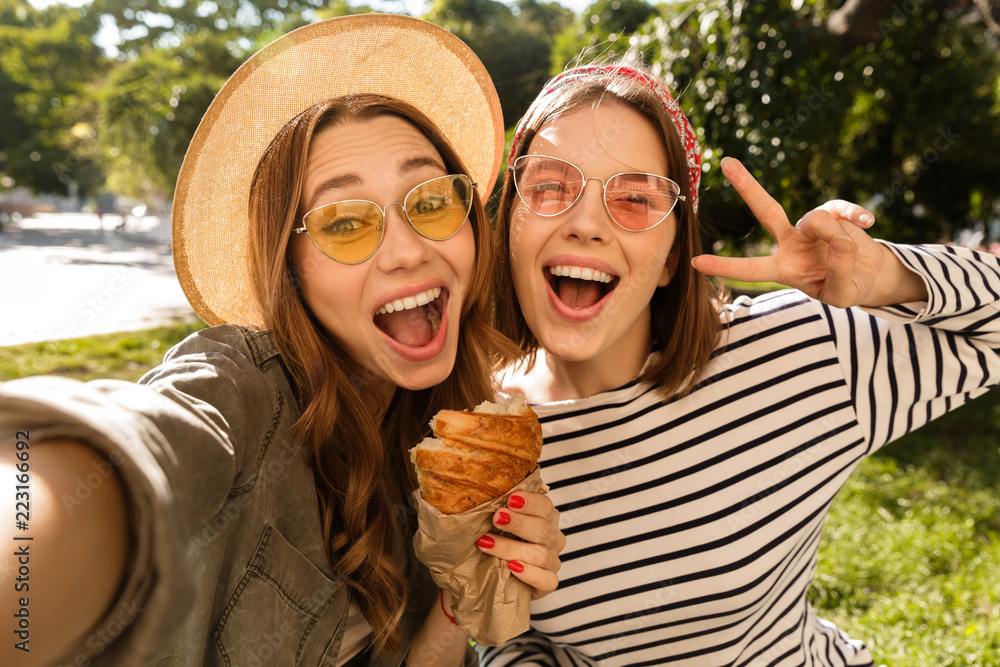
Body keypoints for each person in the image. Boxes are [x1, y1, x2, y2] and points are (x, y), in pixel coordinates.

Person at [0, 15, 564, 667]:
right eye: (345, 222)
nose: (409, 250)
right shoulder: (244, 391)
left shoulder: (443, 442)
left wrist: (463, 587)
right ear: (290, 268)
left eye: (432, 200)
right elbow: (139, 447)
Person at [481, 61, 1000, 665]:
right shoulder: (481, 435)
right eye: (551, 186)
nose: (587, 225)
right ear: (509, 226)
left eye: (634, 198)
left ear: (673, 256)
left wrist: (886, 275)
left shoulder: (796, 351)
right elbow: (514, 634)